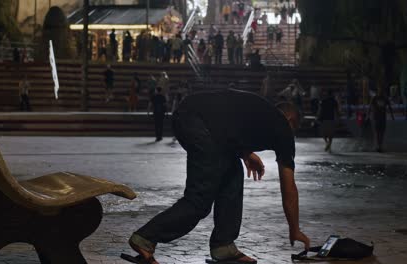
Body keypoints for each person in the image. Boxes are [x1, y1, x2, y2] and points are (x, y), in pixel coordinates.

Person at [127, 89, 310, 264]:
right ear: (289, 120)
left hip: (190, 115)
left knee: (233, 173)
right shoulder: (282, 126)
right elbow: (289, 188)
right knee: (199, 199)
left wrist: (245, 153)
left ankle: (223, 246)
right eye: (293, 131)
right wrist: (295, 229)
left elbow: (229, 124)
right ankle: (145, 237)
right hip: (197, 123)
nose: (290, 137)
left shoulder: (263, 111)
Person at [367, 88, 395, 152]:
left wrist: (392, 116)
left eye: (381, 92)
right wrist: (368, 115)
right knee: (377, 132)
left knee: (382, 132)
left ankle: (380, 146)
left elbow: (390, 107)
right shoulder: (374, 98)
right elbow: (370, 107)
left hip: (382, 118)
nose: (380, 93)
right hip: (376, 118)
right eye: (379, 91)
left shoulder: (385, 98)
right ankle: (378, 146)